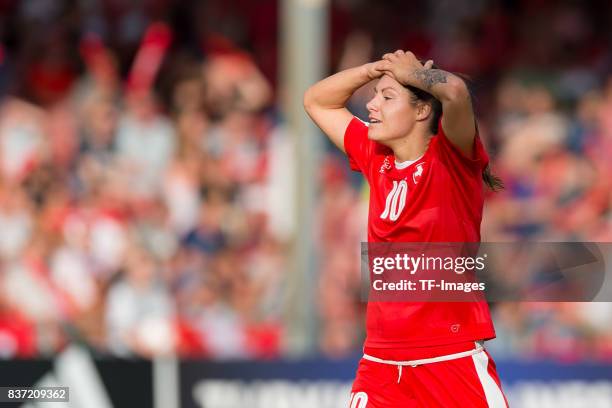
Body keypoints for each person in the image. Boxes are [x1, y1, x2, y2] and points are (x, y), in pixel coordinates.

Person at [304, 50, 508, 407]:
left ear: (421, 110)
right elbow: (317, 101)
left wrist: (413, 74)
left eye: (386, 97)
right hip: (380, 364)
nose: (371, 105)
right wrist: (376, 69)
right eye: (373, 96)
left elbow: (456, 93)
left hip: (450, 360)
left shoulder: (451, 160)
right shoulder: (375, 156)